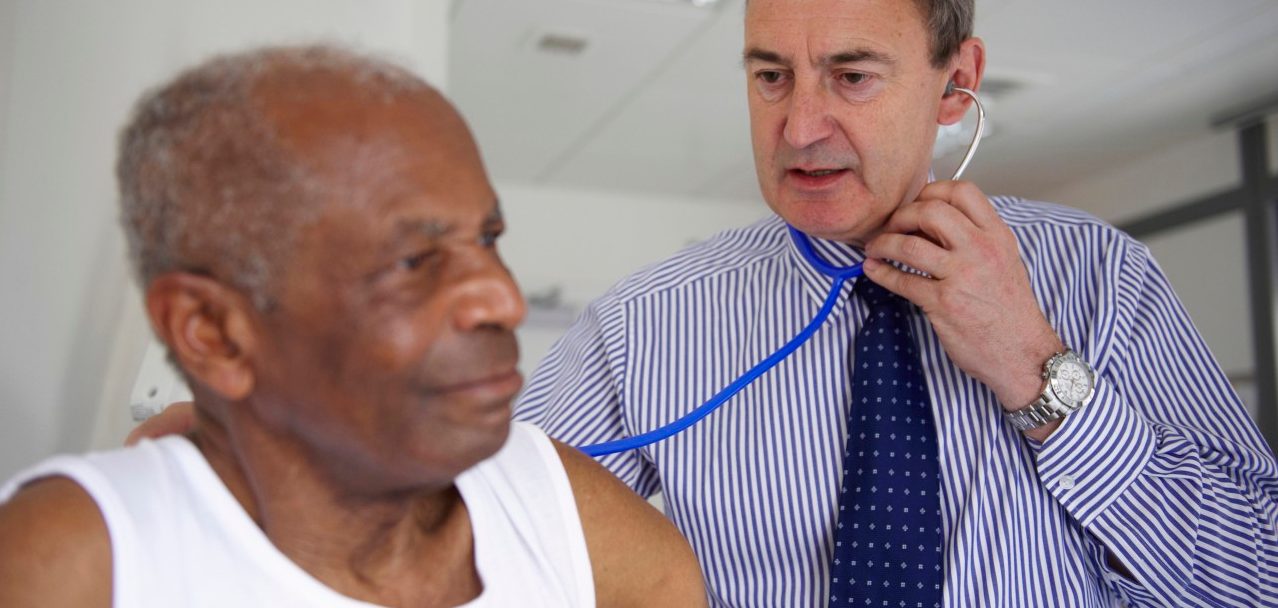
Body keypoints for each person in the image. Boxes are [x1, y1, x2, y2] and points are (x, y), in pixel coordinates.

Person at [514, 0, 1278, 606]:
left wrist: (1031, 364)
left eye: (852, 76)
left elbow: (1257, 577)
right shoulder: (643, 325)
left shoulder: (1098, 273)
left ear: (956, 83)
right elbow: (478, 528)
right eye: (772, 76)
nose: (801, 128)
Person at [0, 45, 706, 607]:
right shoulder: (71, 564)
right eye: (412, 259)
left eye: (487, 239)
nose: (502, 298)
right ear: (212, 331)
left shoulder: (573, 519)